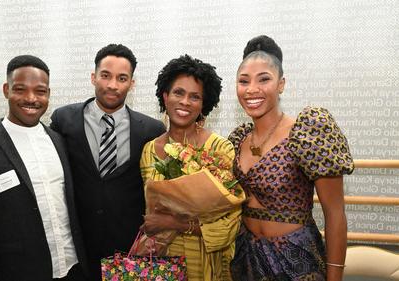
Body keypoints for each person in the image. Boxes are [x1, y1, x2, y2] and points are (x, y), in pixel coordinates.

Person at [0, 45, 165, 280]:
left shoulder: (151, 130)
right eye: (105, 75)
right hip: (62, 257)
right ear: (93, 77)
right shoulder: (64, 121)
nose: (112, 85)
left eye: (122, 78)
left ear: (132, 82)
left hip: (120, 254)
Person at [228, 35, 354, 281]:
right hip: (246, 261)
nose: (252, 89)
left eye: (264, 79)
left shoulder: (308, 131)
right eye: (244, 81)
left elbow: (335, 213)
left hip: (296, 262)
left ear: (281, 83)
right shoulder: (238, 139)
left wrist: (335, 277)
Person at [0, 55, 88, 281]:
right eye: (20, 89)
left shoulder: (59, 140)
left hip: (73, 268)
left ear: (48, 94)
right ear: (6, 89)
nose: (31, 98)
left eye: (40, 91)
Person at [139, 54, 242, 281]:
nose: (185, 102)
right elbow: (152, 211)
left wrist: (175, 223)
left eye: (194, 96)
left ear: (204, 104)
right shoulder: (148, 151)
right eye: (178, 93)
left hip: (205, 263)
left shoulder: (220, 148)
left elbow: (230, 222)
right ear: (165, 96)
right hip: (160, 264)